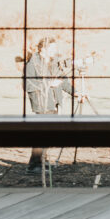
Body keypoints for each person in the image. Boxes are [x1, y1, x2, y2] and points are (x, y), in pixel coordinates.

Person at [21, 37, 67, 177]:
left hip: (52, 103)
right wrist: (49, 84)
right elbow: (28, 85)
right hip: (41, 104)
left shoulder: (52, 63)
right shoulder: (32, 64)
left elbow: (62, 81)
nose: (55, 51)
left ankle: (41, 162)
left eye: (55, 48)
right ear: (42, 49)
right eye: (52, 48)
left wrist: (77, 93)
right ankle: (34, 165)